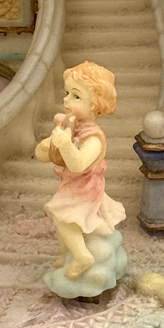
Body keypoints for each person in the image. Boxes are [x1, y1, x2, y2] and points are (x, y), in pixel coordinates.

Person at [35, 61, 126, 281]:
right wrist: (49, 146)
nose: (67, 100)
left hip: (85, 188)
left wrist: (65, 144)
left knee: (64, 219)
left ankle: (82, 256)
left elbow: (79, 164)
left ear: (95, 104)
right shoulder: (71, 126)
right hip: (72, 185)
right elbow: (46, 154)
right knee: (61, 220)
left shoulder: (93, 137)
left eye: (76, 96)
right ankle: (66, 253)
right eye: (67, 93)